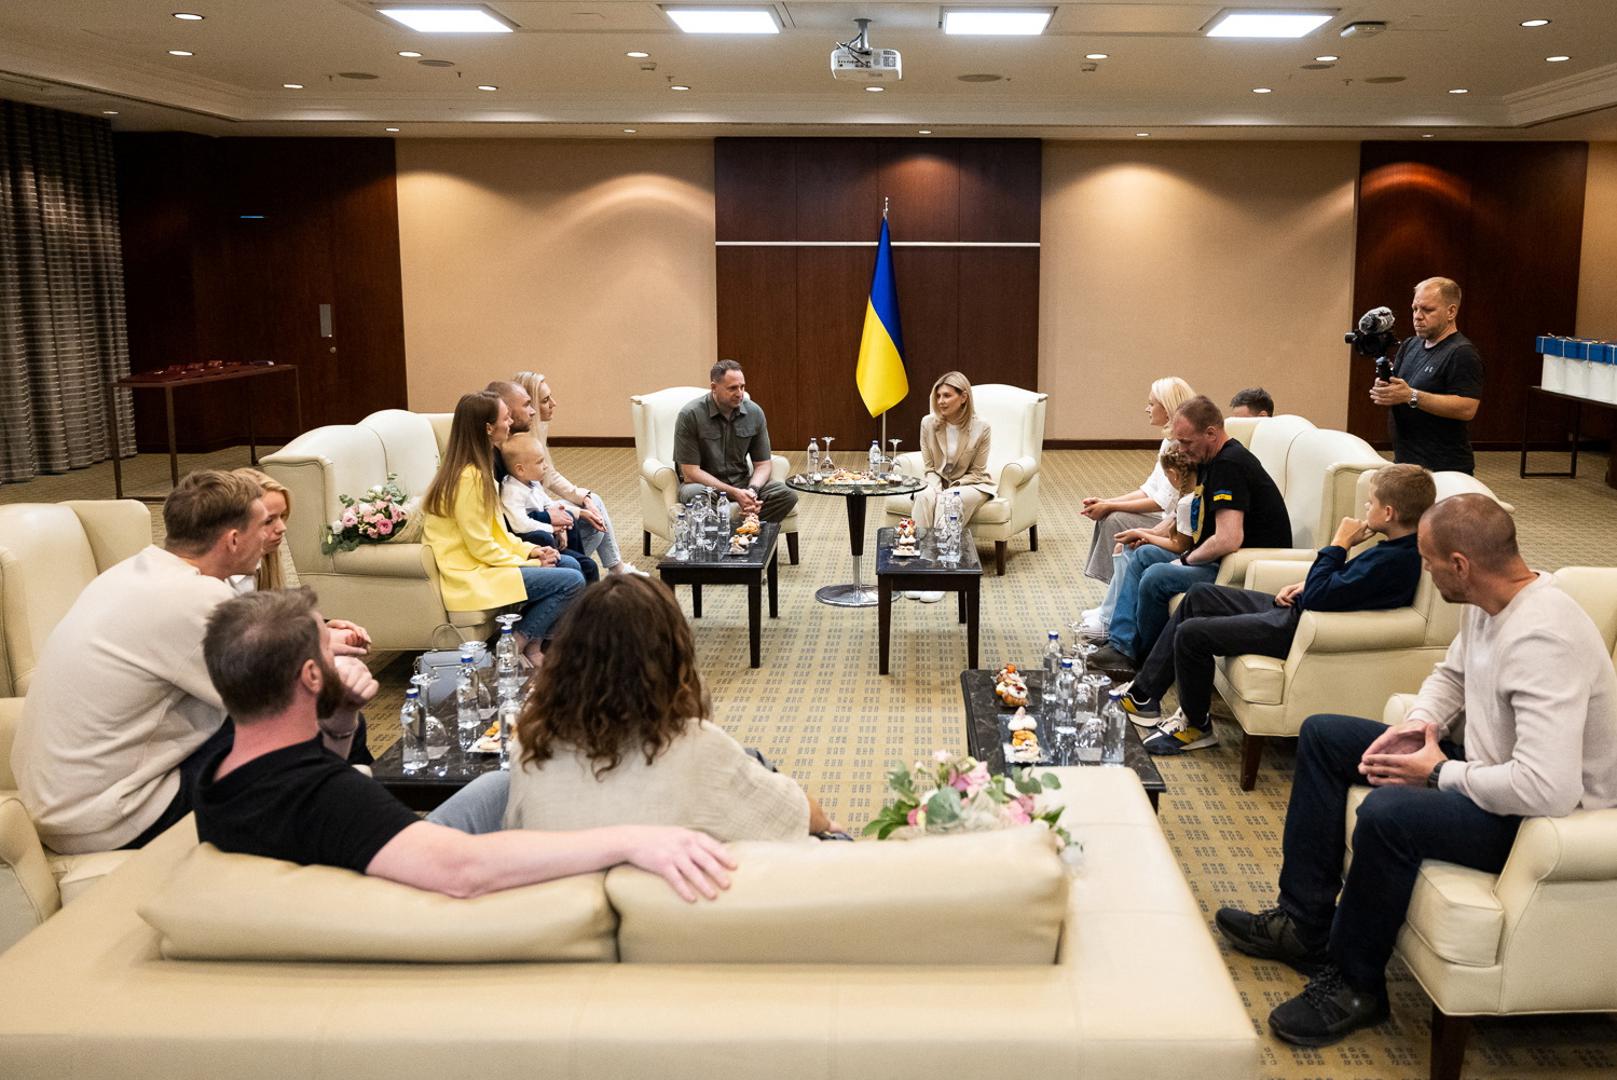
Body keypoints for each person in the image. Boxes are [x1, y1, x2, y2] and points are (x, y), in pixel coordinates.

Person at [1215, 494, 1617, 1047]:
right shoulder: (1490, 600)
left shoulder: (1544, 638)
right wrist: (1421, 724)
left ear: (1461, 564)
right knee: (1324, 735)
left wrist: (1437, 774)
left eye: (1428, 560)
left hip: (1541, 821)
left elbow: (1547, 788)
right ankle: (1303, 925)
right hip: (1488, 770)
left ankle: (1356, 986)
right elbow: (1452, 676)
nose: (1423, 569)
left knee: (1388, 815)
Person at [193, 589, 735, 902]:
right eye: (329, 648)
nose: (343, 653)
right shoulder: (331, 798)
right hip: (411, 896)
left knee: (501, 782)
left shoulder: (216, 763)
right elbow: (464, 871)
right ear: (311, 675)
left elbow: (302, 782)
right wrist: (630, 840)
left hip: (346, 855)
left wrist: (338, 723)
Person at [12, 470, 319, 853]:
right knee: (311, 716)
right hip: (109, 815)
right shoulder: (195, 598)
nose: (274, 534)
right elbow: (277, 698)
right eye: (264, 525)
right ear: (233, 539)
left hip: (58, 800)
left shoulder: (130, 571)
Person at [1120, 464, 1434, 756]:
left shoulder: (1393, 561)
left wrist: (1339, 543)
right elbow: (1343, 588)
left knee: (1192, 634)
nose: (1366, 507)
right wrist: (1305, 584)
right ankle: (1144, 694)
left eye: (1371, 502)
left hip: (1297, 628)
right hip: (1299, 609)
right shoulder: (1394, 549)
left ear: (1389, 513)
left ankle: (1195, 725)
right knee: (1200, 595)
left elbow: (1325, 595)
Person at [505, 574, 839, 840]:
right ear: (672, 654)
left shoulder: (529, 748)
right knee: (825, 831)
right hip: (684, 901)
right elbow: (806, 818)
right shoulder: (697, 747)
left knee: (750, 759)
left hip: (572, 897)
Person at [1090, 396, 1291, 675]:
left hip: (1239, 567)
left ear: (1211, 433)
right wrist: (1150, 533)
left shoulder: (1230, 466)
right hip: (1217, 556)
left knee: (1157, 576)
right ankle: (1122, 646)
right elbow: (1186, 514)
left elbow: (1228, 539)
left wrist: (1184, 560)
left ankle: (1148, 660)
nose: (1182, 450)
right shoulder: (1210, 458)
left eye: (1186, 442)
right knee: (1142, 553)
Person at [422, 392, 585, 666]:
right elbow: (480, 546)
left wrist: (531, 550)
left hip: (484, 563)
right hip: (470, 573)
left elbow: (497, 533)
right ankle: (514, 646)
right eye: (505, 418)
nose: (510, 422)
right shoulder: (469, 478)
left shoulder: (479, 469)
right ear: (489, 428)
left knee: (570, 564)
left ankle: (531, 645)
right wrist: (531, 563)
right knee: (572, 581)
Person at [511, 370, 642, 577]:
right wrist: (557, 520)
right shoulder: (518, 446)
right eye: (545, 400)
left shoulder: (535, 432)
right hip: (533, 521)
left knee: (594, 505)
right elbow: (529, 504)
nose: (553, 404)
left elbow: (549, 476)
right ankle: (605, 568)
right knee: (593, 520)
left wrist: (583, 498)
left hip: (542, 509)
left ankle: (614, 568)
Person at [231, 467, 373, 655]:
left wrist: (323, 628)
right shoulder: (221, 584)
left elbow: (272, 627)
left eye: (282, 516)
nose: (282, 528)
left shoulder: (264, 561)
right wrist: (318, 645)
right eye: (269, 520)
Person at [1079, 376, 1197, 592]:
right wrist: (1106, 502)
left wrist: (1110, 506)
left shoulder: (1179, 447)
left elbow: (1160, 502)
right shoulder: (1168, 441)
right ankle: (1115, 592)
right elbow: (1149, 489)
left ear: (1168, 409)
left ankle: (1117, 593)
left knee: (1114, 518)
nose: (1147, 409)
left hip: (1172, 524)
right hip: (1167, 519)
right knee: (1109, 514)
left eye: (1152, 404)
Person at [1371, 277, 1482, 474]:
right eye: (1415, 309)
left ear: (1451, 312)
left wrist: (1411, 396)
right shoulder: (1410, 345)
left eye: (1427, 310)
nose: (1418, 316)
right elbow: (1401, 389)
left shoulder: (1462, 353)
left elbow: (1467, 408)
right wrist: (1388, 390)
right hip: (1406, 460)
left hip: (1444, 467)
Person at [903, 371, 993, 603]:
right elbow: (929, 467)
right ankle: (920, 567)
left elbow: (978, 471)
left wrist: (949, 489)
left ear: (963, 397)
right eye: (938, 396)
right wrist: (935, 488)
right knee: (923, 495)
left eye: (947, 396)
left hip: (972, 484)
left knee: (949, 499)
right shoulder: (928, 423)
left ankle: (941, 574)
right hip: (937, 480)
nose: (941, 401)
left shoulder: (981, 428)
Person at [671, 359, 797, 524]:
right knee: (696, 496)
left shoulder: (754, 412)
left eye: (742, 387)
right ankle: (734, 531)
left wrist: (752, 491)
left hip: (742, 483)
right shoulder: (690, 415)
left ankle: (743, 530)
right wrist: (734, 493)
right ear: (714, 387)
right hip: (705, 486)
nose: (740, 393)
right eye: (732, 388)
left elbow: (763, 464)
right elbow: (690, 473)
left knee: (786, 495)